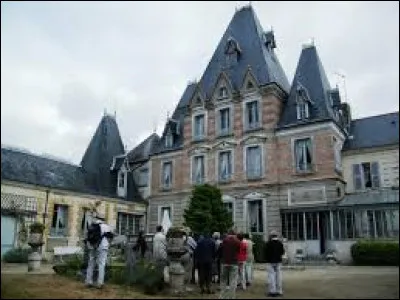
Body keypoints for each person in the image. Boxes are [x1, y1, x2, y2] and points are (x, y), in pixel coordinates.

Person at [85, 213, 114, 289]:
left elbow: (87, 237)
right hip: (102, 247)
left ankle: (88, 281)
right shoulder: (106, 226)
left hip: (92, 247)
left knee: (91, 263)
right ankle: (100, 283)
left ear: (97, 218)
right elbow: (111, 236)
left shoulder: (92, 226)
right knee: (101, 264)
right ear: (103, 219)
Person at [219, 229, 241, 299]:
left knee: (223, 280)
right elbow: (238, 251)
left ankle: (222, 296)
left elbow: (220, 250)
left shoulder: (224, 241)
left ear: (228, 234)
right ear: (234, 234)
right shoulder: (237, 241)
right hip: (234, 263)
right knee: (233, 281)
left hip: (224, 262)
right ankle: (231, 296)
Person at [264, 230, 285, 297]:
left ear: (271, 236)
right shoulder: (280, 243)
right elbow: (282, 252)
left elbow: (266, 253)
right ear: (276, 236)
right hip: (278, 261)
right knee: (278, 276)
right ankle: (279, 290)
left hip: (270, 261)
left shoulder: (268, 243)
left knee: (271, 276)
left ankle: (272, 291)